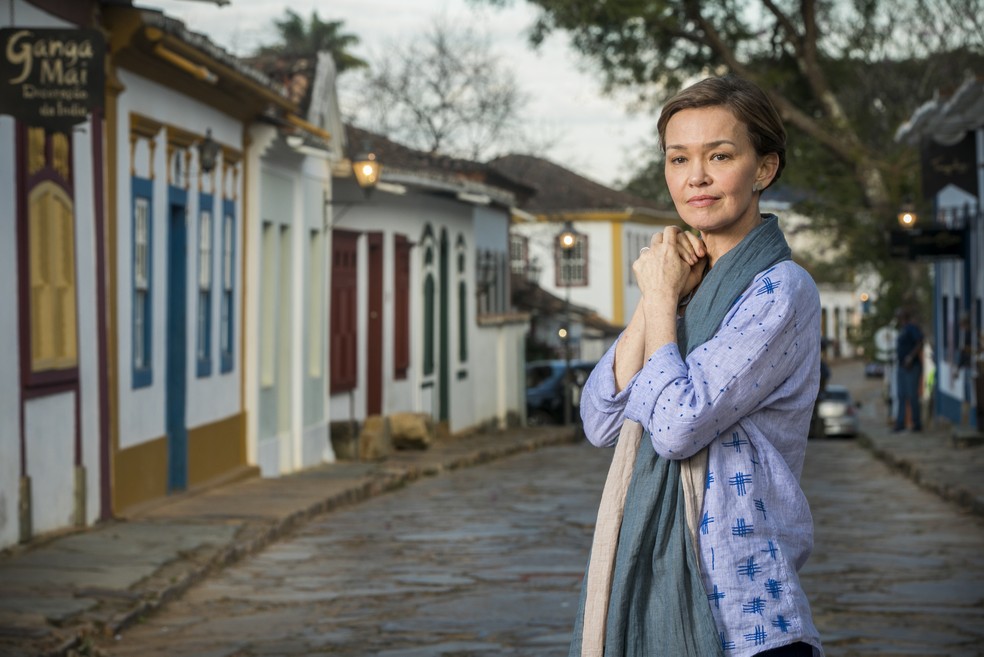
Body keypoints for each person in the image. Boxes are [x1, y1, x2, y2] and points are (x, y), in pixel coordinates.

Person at [569, 75, 824, 657]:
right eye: (678, 158)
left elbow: (679, 426)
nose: (696, 177)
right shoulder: (681, 289)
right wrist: (661, 298)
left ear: (764, 169)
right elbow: (601, 418)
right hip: (661, 589)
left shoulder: (780, 291)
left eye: (720, 156)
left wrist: (660, 300)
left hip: (745, 611)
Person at [894, 308, 924, 432]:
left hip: (911, 367)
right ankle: (900, 423)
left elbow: (920, 342)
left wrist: (911, 357)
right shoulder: (903, 329)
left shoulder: (912, 328)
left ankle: (916, 423)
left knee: (912, 395)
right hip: (901, 366)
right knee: (901, 395)